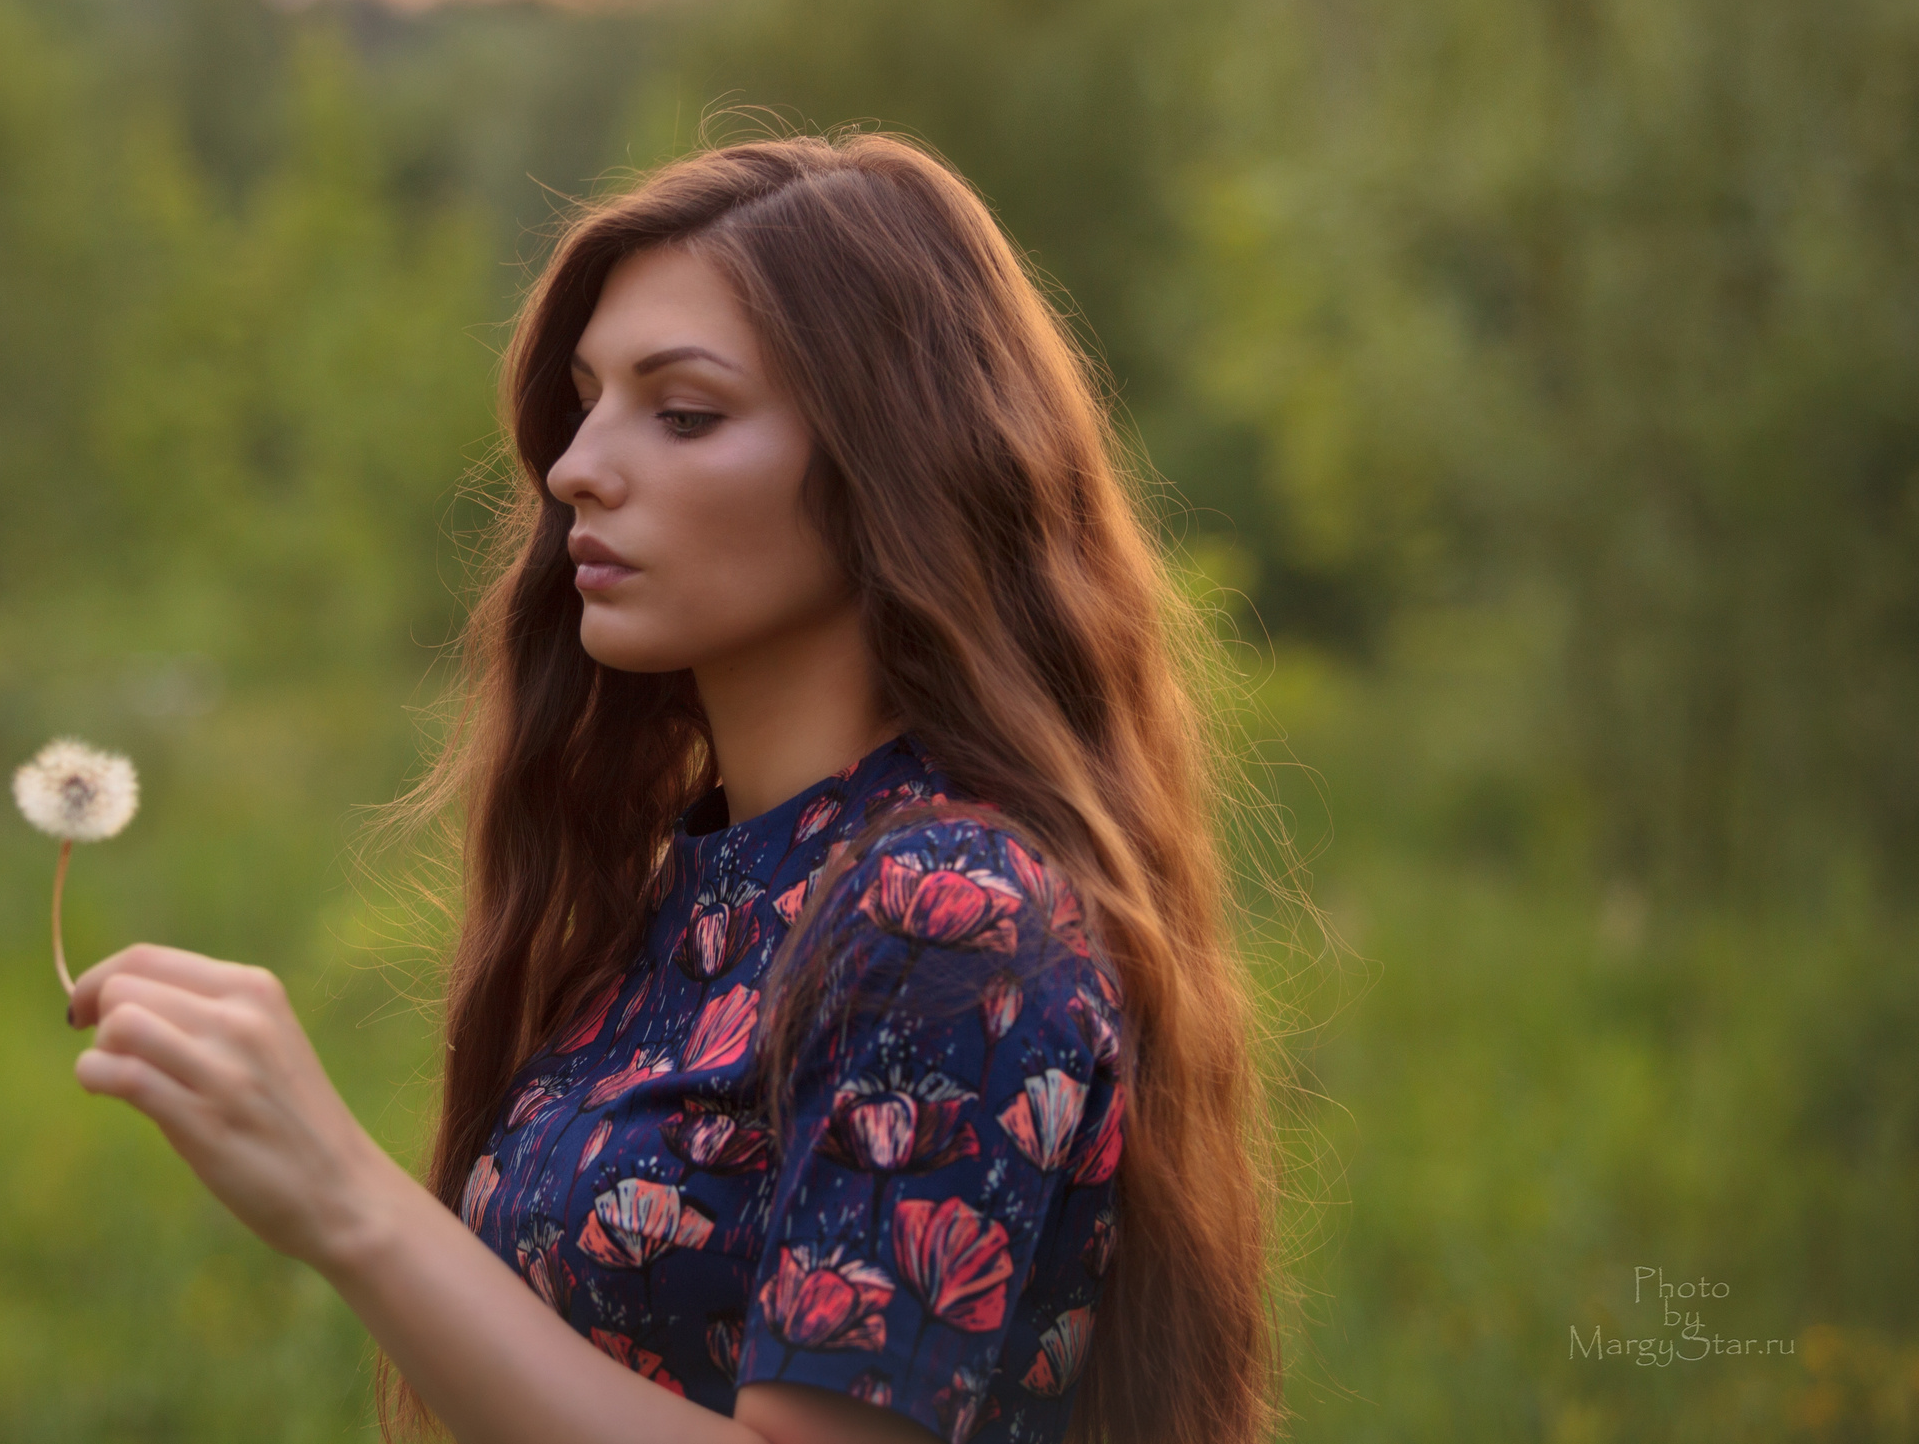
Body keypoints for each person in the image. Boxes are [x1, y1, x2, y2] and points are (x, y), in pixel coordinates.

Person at [68, 131, 1276, 1443]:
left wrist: (349, 1201)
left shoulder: (944, 909)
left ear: (897, 462)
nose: (578, 464)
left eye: (682, 410)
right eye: (585, 400)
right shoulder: (692, 892)